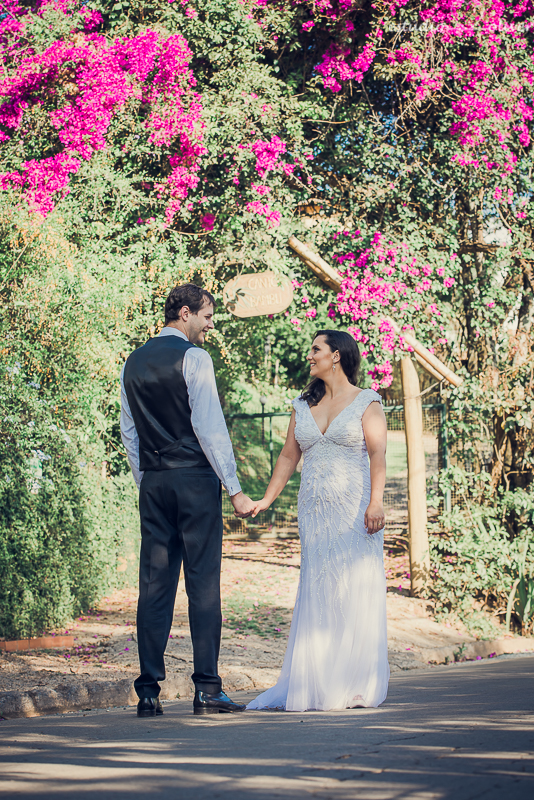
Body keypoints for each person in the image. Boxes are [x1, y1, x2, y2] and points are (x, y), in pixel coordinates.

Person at [120, 283, 254, 717]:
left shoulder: (132, 361)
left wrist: (149, 478)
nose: (209, 325)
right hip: (195, 481)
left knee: (154, 584)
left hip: (155, 482)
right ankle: (207, 689)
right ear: (184, 313)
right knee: (202, 584)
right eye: (207, 316)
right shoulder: (195, 359)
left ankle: (147, 692)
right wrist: (233, 488)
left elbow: (129, 432)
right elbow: (210, 429)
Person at [248, 330, 390, 712]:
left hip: (354, 509)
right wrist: (266, 498)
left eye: (316, 349)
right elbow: (288, 458)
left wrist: (376, 503)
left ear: (337, 356)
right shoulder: (302, 404)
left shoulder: (367, 402)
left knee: (353, 587)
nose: (309, 355)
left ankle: (357, 684)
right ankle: (319, 682)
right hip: (314, 511)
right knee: (321, 588)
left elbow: (378, 456)